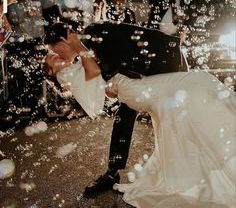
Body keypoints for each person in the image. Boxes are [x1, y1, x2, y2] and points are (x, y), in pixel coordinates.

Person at [44, 44, 235, 208]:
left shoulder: (71, 69)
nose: (56, 55)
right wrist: (78, 44)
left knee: (185, 100)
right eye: (51, 58)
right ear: (51, 71)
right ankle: (207, 155)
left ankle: (189, 168)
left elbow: (101, 83)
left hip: (129, 86)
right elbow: (94, 72)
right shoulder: (64, 75)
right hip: (132, 88)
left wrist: (111, 82)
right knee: (197, 83)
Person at [44, 21, 188, 195]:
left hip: (167, 61)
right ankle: (113, 172)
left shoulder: (93, 33)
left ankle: (181, 167)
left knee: (169, 119)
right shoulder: (87, 47)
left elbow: (126, 59)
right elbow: (116, 68)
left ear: (64, 41)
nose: (59, 55)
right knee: (124, 116)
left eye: (57, 49)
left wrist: (113, 79)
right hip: (154, 67)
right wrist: (113, 83)